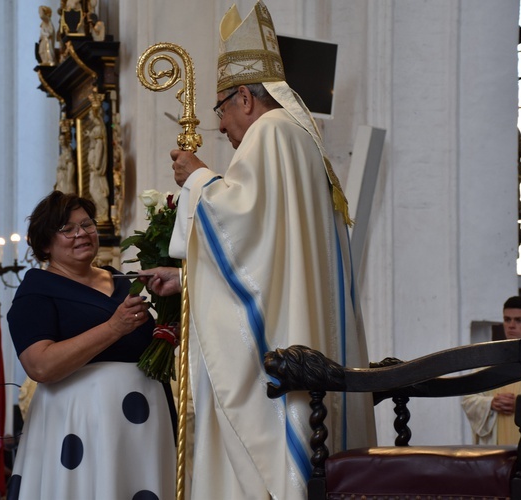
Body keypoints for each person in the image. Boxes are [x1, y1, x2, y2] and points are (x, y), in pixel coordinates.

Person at [142, 2, 375, 498]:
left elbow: (239, 223)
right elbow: (273, 259)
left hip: (286, 360)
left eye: (221, 109)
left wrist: (198, 179)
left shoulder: (269, 134)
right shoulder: (302, 138)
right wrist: (185, 279)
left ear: (245, 97)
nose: (221, 126)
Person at [5, 190, 176, 500]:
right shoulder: (36, 291)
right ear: (45, 243)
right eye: (67, 229)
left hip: (142, 426)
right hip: (81, 425)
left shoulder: (123, 281)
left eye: (87, 225)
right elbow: (40, 365)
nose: (82, 234)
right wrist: (113, 328)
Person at [461, 295, 521, 445]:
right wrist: (491, 403)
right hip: (496, 449)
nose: (511, 325)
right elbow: (468, 400)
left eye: (519, 320)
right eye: (507, 319)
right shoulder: (489, 361)